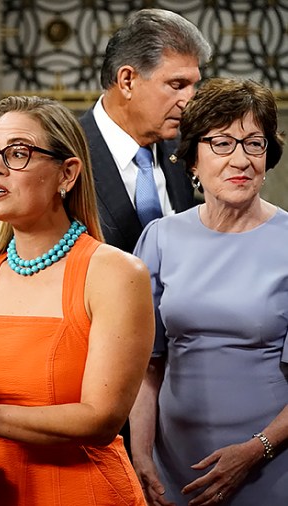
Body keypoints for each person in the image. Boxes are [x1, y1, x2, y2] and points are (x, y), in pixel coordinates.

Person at [0, 95, 154, 505]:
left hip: (80, 492)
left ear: (68, 173)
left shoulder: (115, 273)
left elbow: (101, 418)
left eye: (18, 153)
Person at [129, 78, 288, 506]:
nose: (240, 159)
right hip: (171, 467)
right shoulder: (159, 238)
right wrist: (140, 454)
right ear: (193, 158)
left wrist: (255, 452)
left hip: (271, 465)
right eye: (222, 143)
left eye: (254, 144)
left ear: (267, 157)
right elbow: (147, 369)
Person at [80, 8, 211, 253]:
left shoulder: (185, 150)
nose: (189, 101)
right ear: (127, 81)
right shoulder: (64, 154)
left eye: (193, 86)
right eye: (177, 85)